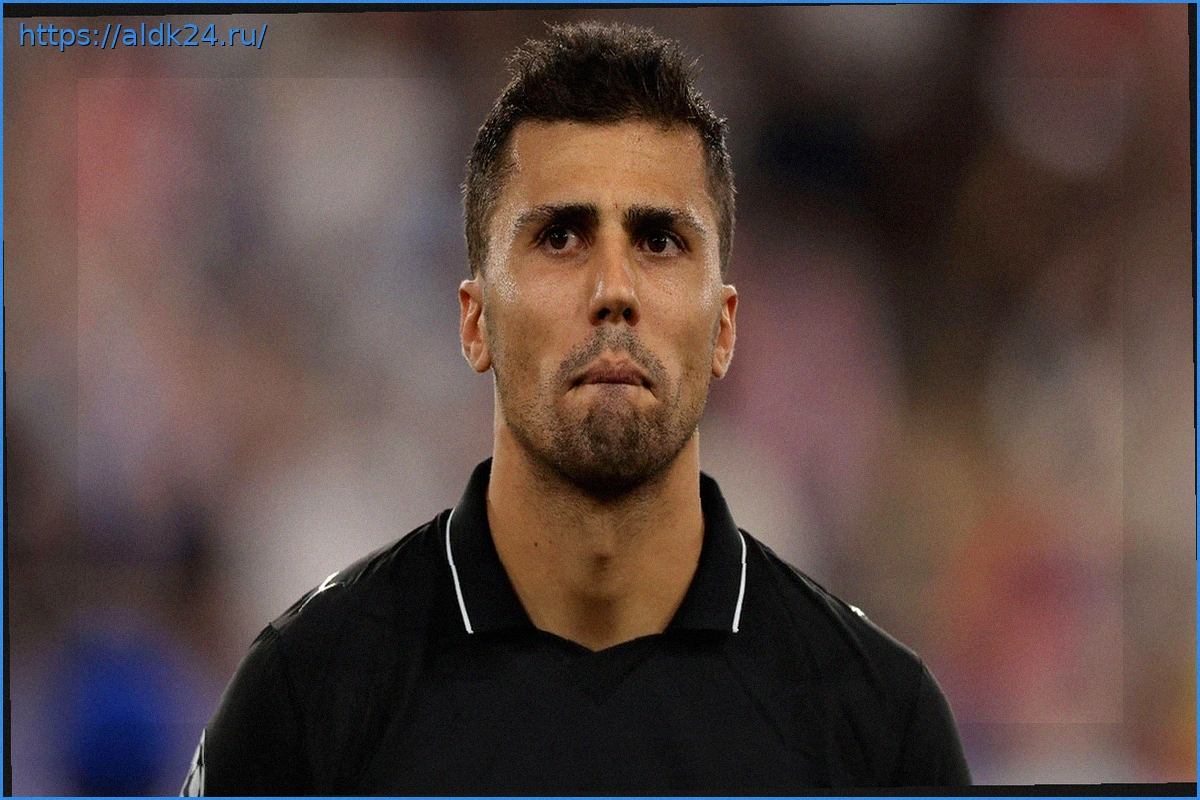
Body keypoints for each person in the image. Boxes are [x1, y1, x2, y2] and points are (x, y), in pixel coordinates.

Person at [183, 21, 971, 795]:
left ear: (725, 327)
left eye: (659, 240)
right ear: (475, 321)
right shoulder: (309, 693)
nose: (613, 291)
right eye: (560, 237)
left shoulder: (876, 720)